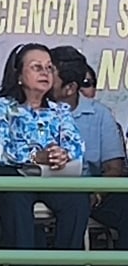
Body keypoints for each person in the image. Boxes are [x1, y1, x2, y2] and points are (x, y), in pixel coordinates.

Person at [0, 43, 89, 249]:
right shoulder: (0, 106)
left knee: (77, 200)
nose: (45, 73)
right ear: (19, 75)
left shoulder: (60, 110)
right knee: (17, 193)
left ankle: (65, 262)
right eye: (36, 67)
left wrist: (62, 154)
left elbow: (76, 144)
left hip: (48, 177)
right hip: (8, 174)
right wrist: (36, 156)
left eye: (49, 68)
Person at [50, 46, 128, 248]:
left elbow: (114, 168)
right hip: (47, 190)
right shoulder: (34, 110)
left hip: (93, 192)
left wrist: (97, 194)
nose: (43, 77)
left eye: (50, 73)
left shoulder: (99, 114)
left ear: (70, 88)